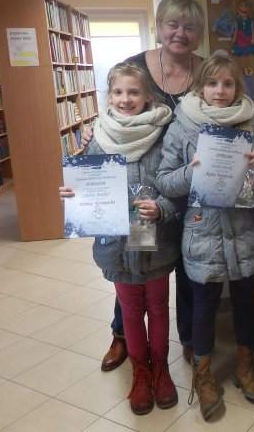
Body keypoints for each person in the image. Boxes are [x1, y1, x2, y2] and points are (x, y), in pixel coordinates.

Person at [92, 0, 205, 373]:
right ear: (159, 27)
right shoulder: (136, 66)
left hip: (189, 179)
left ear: (199, 34)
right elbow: (115, 120)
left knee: (183, 265)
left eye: (190, 27)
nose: (180, 33)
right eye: (172, 24)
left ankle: (188, 338)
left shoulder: (204, 71)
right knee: (129, 262)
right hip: (140, 188)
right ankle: (121, 334)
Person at [60, 63, 180, 415]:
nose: (125, 99)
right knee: (130, 309)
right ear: (109, 96)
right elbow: (88, 185)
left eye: (133, 92)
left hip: (153, 235)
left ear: (147, 96)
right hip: (115, 240)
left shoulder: (164, 133)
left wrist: (162, 207)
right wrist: (73, 195)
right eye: (118, 92)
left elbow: (175, 185)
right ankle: (140, 371)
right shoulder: (97, 136)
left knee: (158, 307)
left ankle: (161, 368)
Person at [154, 52, 254, 420]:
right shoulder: (183, 124)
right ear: (200, 86)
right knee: (203, 306)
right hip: (203, 231)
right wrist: (191, 171)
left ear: (238, 88)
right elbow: (164, 181)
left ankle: (246, 364)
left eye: (228, 83)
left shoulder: (253, 123)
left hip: (244, 230)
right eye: (212, 83)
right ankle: (203, 375)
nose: (220, 90)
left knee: (245, 301)